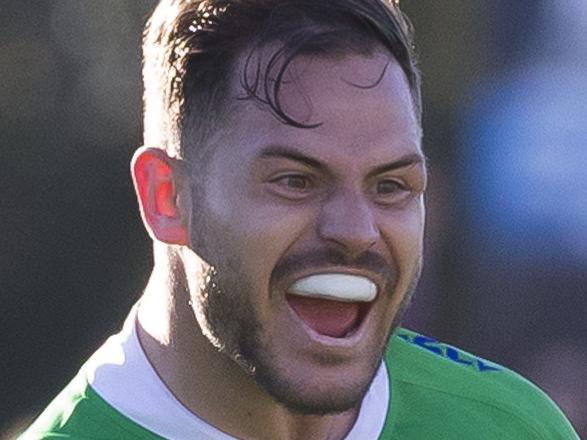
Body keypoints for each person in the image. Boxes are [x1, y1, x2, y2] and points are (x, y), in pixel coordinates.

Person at [21, 0, 579, 438]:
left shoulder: (513, 426)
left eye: (391, 186)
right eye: (295, 180)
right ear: (166, 197)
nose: (357, 231)